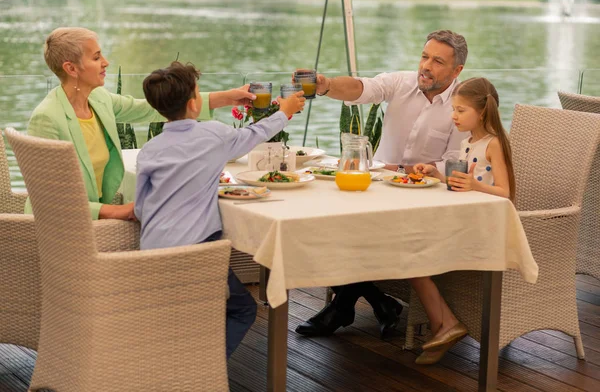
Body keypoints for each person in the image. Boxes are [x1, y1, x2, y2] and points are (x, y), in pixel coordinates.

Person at [295, 29, 470, 338]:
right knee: (326, 221)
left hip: (426, 199)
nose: (426, 66)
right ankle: (379, 303)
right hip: (377, 188)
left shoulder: (462, 106)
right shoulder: (402, 82)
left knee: (358, 231)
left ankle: (342, 307)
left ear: (457, 71)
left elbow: (456, 163)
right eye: (424, 56)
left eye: (438, 61)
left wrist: (405, 169)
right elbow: (364, 88)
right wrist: (325, 85)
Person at [136, 61, 305, 358]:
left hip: (150, 254)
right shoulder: (214, 134)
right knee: (242, 310)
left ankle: (172, 362)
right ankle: (201, 369)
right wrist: (285, 111)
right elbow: (256, 134)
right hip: (196, 255)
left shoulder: (150, 149)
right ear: (194, 103)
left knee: (178, 315)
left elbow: (140, 207)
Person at [26, 27, 255, 220]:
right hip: (60, 229)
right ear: (71, 68)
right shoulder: (47, 119)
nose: (105, 63)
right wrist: (119, 211)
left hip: (93, 220)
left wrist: (227, 97)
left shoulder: (98, 99)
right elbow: (48, 198)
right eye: (96, 58)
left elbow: (148, 108)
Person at [411, 77, 515, 364]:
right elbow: (464, 183)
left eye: (460, 111)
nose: (453, 116)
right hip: (464, 217)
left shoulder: (494, 144)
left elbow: (504, 193)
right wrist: (438, 175)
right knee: (410, 251)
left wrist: (473, 185)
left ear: (481, 112)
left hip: (481, 227)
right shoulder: (469, 142)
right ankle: (444, 327)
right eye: (453, 109)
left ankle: (444, 327)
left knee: (413, 257)